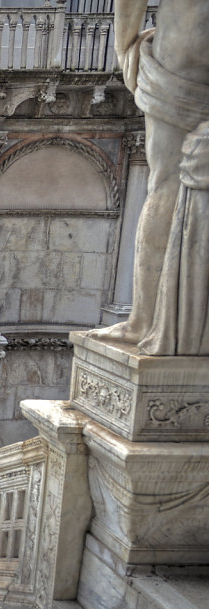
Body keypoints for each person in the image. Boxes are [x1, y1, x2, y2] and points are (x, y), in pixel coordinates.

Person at [91, 1, 209, 355]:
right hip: (185, 56)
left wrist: (127, 47)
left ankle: (143, 320)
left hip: (182, 56)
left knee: (165, 187)